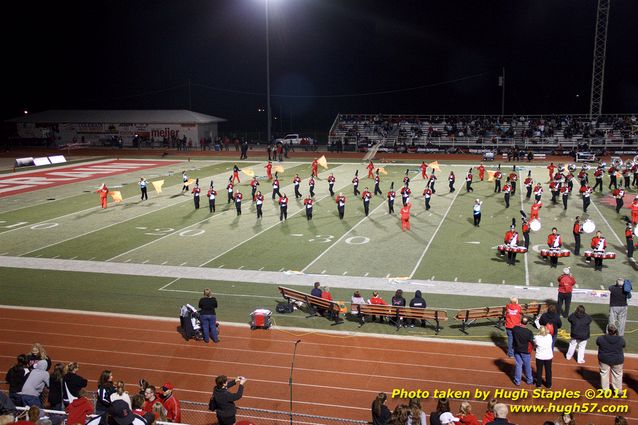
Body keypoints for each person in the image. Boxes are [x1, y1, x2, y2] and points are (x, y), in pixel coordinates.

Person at [596, 324, 625, 391]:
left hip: (604, 359)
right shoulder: (621, 339)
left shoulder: (600, 338)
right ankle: (618, 390)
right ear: (616, 331)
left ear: (607, 330)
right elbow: (623, 345)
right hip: (617, 360)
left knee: (604, 374)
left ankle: (605, 390)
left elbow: (598, 343)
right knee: (617, 375)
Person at [512, 317, 534, 386]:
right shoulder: (529, 332)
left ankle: (517, 381)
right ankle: (529, 380)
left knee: (518, 365)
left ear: (520, 321)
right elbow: (531, 341)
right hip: (525, 351)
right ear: (527, 323)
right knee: (527, 365)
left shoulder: (515, 329)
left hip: (517, 349)